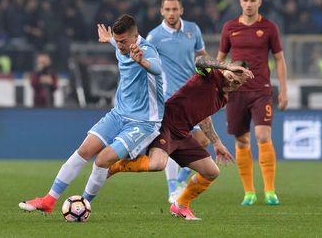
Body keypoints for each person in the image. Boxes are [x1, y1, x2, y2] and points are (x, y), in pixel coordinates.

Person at [18, 14, 164, 213]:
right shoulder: (120, 44)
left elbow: (156, 67)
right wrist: (108, 40)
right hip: (119, 114)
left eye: (123, 41)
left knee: (102, 159)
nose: (120, 45)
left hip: (143, 122)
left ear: (136, 35)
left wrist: (143, 62)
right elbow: (116, 42)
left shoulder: (146, 50)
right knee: (84, 150)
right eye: (117, 41)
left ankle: (83, 205)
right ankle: (48, 200)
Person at [83, 55, 254, 220]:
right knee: (157, 164)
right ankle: (118, 166)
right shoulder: (210, 74)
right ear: (227, 69)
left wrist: (217, 143)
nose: (232, 82)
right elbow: (199, 61)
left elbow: (204, 116)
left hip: (183, 134)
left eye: (237, 83)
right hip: (166, 123)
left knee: (211, 172)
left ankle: (180, 206)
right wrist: (226, 65)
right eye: (231, 76)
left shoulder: (223, 98)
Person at [216, 0, 288, 206]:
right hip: (236, 92)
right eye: (245, 0)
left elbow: (279, 59)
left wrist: (283, 90)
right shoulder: (229, 27)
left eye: (252, 0)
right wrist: (218, 85)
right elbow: (220, 60)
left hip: (261, 90)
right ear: (240, 2)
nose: (249, 4)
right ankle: (249, 192)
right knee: (242, 141)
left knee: (263, 136)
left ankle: (270, 190)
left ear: (259, 3)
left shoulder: (269, 27)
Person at [146, 0, 210, 203]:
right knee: (172, 144)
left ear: (181, 10)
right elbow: (145, 65)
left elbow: (201, 55)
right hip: (169, 99)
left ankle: (181, 179)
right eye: (168, 9)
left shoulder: (193, 29)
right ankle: (173, 189)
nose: (171, 13)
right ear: (161, 12)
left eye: (175, 9)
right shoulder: (154, 37)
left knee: (203, 139)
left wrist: (207, 73)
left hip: (193, 96)